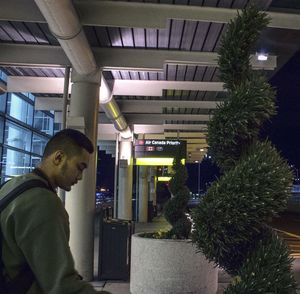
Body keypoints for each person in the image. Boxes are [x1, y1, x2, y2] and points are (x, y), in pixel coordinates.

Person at [0, 129, 110, 293]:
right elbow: (62, 287)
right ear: (58, 158)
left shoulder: (11, 185)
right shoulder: (43, 203)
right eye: (79, 167)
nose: (80, 177)